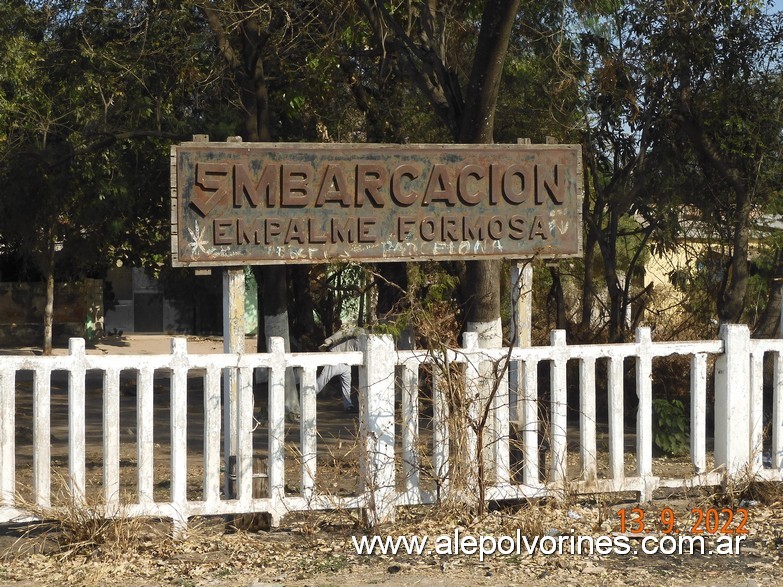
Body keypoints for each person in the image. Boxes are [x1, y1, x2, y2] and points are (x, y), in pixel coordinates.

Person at [316, 326, 363, 413]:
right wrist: (330, 340)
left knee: (347, 385)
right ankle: (304, 401)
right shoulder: (360, 331)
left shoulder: (373, 341)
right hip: (336, 356)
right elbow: (344, 332)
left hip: (347, 362)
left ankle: (348, 406)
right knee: (321, 382)